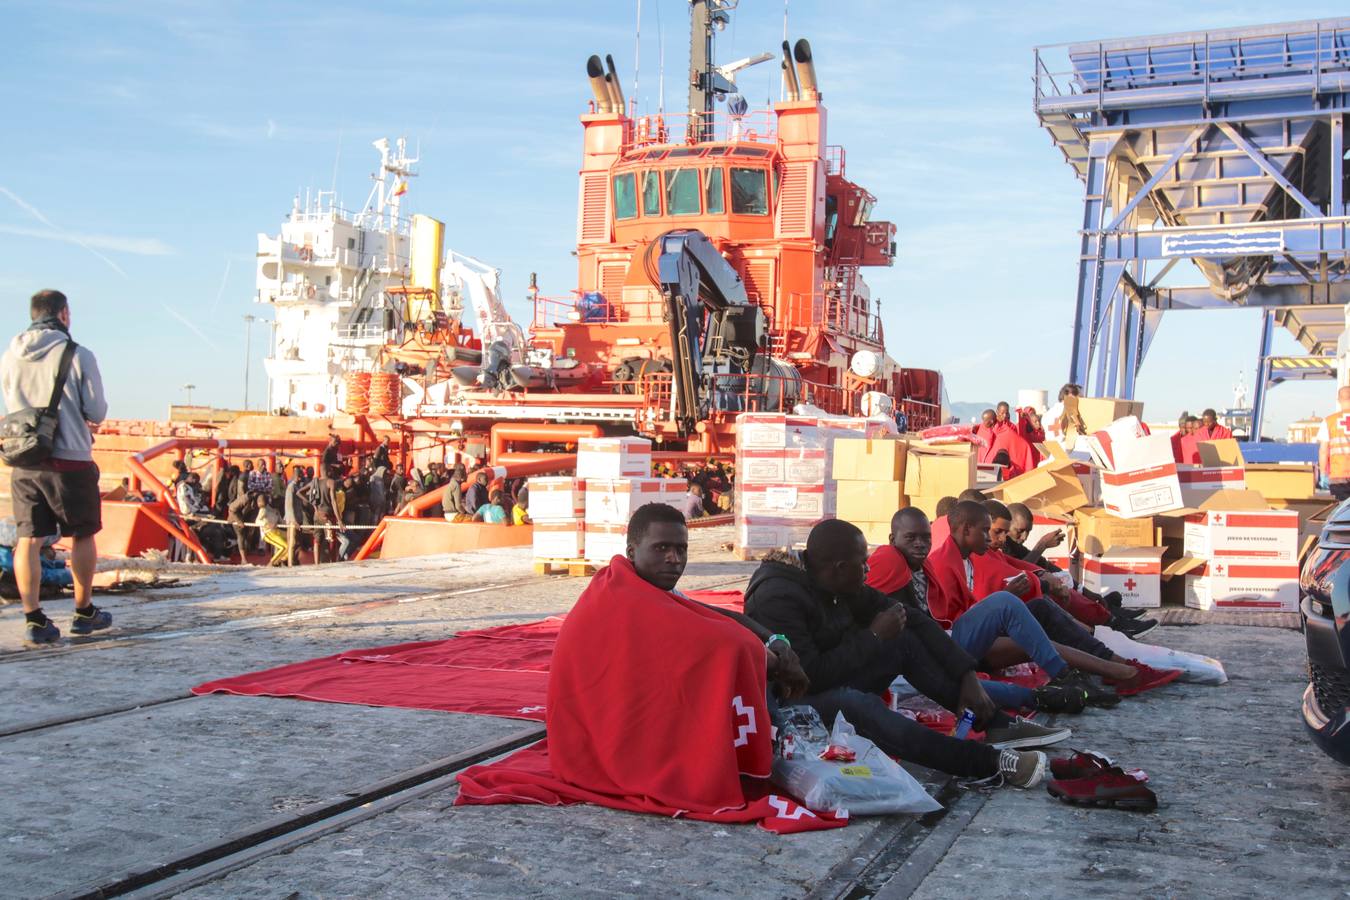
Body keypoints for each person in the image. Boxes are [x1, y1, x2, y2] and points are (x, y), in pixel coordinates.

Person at [744, 518, 1069, 789]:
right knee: (857, 704)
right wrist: (873, 636)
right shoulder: (778, 597)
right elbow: (808, 677)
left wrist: (967, 675)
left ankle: (995, 722)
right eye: (862, 563)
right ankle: (985, 762)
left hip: (833, 676)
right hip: (791, 701)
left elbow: (910, 617)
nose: (867, 569)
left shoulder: (833, 580)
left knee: (904, 641)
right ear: (840, 568)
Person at [927, 501, 1180, 697]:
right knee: (1032, 629)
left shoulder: (966, 555)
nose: (994, 538)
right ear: (965, 528)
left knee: (1038, 609)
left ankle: (1112, 660)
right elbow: (951, 623)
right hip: (963, 648)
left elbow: (1008, 577)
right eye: (987, 531)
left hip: (975, 636)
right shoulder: (946, 561)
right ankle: (1113, 670)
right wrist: (1005, 599)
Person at [864, 508, 1089, 714]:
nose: (920, 544)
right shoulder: (891, 560)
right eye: (989, 531)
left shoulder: (932, 564)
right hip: (917, 656)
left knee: (1012, 604)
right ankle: (1045, 694)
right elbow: (915, 624)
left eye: (926, 538)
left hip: (940, 642)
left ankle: (1069, 675)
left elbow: (941, 617)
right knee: (964, 683)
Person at [1, 290, 111, 645]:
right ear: (64, 314)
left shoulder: (10, 354)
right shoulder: (77, 353)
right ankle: (83, 612)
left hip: (25, 460)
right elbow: (96, 411)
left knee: (28, 540)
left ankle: (34, 619)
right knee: (82, 533)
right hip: (70, 459)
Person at [1317, 386, 1350, 501]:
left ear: (1339, 400)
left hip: (1338, 474)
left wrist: (1323, 473)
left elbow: (1323, 450)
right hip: (1338, 474)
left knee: (1342, 512)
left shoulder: (1329, 421)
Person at [254, 496, 289, 567]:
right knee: (284, 546)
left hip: (276, 531)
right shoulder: (264, 510)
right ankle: (271, 562)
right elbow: (257, 521)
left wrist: (291, 523)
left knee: (292, 541)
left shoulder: (276, 511)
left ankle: (281, 559)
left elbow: (281, 522)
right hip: (268, 533)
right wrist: (267, 524)